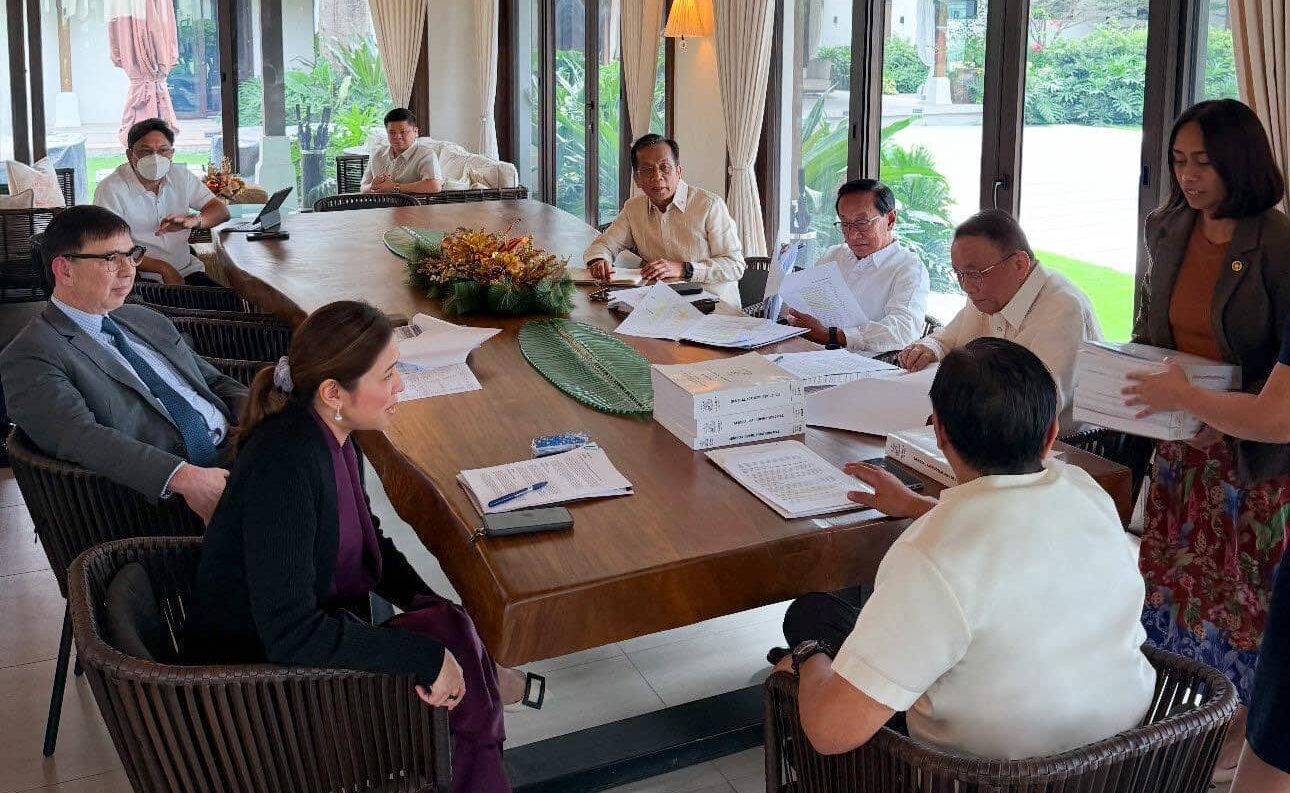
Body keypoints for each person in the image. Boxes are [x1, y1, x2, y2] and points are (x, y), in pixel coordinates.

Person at [189, 301, 536, 793]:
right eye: (389, 375)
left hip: (302, 642)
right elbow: (290, 634)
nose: (401, 388)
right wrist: (425, 657)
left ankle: (477, 752)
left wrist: (432, 606)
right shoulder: (286, 466)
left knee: (451, 626)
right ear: (335, 392)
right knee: (451, 669)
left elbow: (369, 541)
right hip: (259, 689)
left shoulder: (332, 435)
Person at [774, 338, 1155, 760]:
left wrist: (808, 656)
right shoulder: (1087, 493)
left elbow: (831, 733)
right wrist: (917, 507)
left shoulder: (929, 554)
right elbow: (1008, 536)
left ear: (938, 431)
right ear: (1051, 435)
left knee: (812, 614)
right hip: (1125, 758)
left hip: (976, 772)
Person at [1119, 97, 1290, 782]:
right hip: (1180, 446)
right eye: (1179, 162)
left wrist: (1198, 401)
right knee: (1176, 590)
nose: (1189, 178)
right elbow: (1152, 328)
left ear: (1239, 162)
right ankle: (1188, 712)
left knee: (1247, 603)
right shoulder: (1169, 226)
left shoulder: (1275, 243)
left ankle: (1243, 735)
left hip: (1250, 457)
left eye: (1204, 164)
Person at [1125, 320, 1290, 793]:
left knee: (1273, 733)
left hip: (1255, 471)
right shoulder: (1170, 244)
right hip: (1191, 460)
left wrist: (1185, 397)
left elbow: (1278, 415)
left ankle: (1232, 743)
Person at [0, 206, 245, 523]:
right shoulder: (32, 354)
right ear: (65, 270)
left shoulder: (141, 317)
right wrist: (184, 476)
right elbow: (81, 437)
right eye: (110, 259)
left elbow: (212, 381)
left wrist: (258, 413)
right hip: (171, 494)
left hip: (240, 448)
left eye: (132, 255)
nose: (128, 270)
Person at [895, 210, 1100, 433]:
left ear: (1020, 265)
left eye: (975, 273)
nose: (966, 286)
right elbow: (948, 337)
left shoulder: (1063, 310)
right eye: (959, 274)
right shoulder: (988, 293)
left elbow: (1035, 410)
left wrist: (955, 418)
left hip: (1057, 451)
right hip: (981, 435)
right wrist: (929, 347)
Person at [583, 134, 745, 306]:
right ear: (637, 179)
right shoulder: (633, 208)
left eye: (665, 167)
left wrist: (684, 268)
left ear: (678, 172)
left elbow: (734, 265)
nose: (657, 176)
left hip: (714, 307)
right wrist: (599, 260)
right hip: (662, 304)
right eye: (647, 170)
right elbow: (604, 244)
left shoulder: (709, 206)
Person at [782, 179, 929, 354]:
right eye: (845, 224)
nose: (852, 234)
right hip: (812, 353)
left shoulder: (908, 268)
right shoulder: (834, 255)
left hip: (869, 367)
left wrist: (833, 336)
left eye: (862, 222)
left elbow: (904, 330)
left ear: (890, 219)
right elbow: (808, 303)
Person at [93, 118, 229, 286]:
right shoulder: (111, 189)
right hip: (137, 280)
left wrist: (193, 221)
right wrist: (163, 268)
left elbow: (221, 211)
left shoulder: (181, 176)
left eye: (163, 150)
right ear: (130, 155)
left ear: (171, 154)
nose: (155, 158)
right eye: (145, 151)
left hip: (186, 270)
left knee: (232, 305)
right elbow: (107, 247)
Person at [360, 108, 443, 195]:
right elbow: (363, 188)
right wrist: (372, 186)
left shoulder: (425, 154)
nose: (397, 137)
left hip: (411, 206)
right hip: (378, 206)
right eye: (392, 132)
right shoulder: (377, 154)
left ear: (415, 132)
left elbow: (434, 185)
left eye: (403, 132)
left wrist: (394, 187)